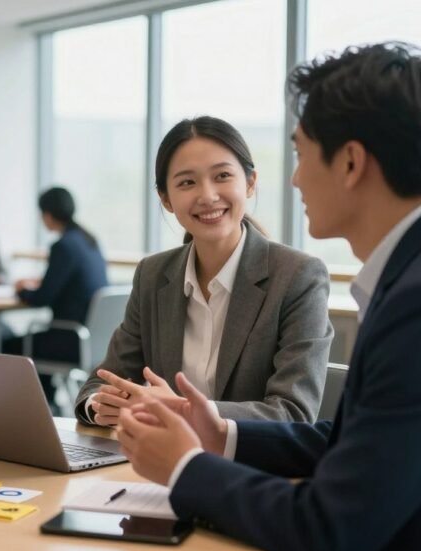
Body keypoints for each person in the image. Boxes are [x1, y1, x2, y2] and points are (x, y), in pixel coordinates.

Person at [117, 43, 421, 551]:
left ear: (350, 162)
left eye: (300, 154)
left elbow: (329, 528)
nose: (294, 179)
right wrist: (221, 432)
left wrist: (186, 468)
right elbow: (358, 443)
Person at [76, 117, 332, 426]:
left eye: (222, 175)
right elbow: (102, 382)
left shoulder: (298, 277)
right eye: (187, 182)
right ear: (166, 199)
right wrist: (100, 406)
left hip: (250, 467)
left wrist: (181, 409)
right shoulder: (153, 275)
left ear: (250, 183)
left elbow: (293, 413)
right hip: (159, 463)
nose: (207, 195)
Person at [9, 186, 108, 410]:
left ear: (47, 214)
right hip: (94, 339)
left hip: (69, 338)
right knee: (34, 341)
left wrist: (21, 290)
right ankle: (48, 403)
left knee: (7, 345)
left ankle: (34, 408)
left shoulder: (63, 246)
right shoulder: (88, 240)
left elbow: (42, 298)